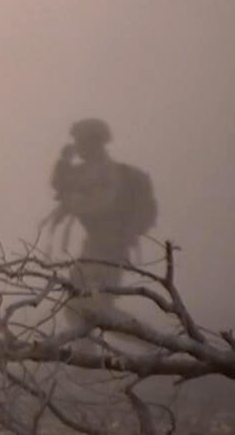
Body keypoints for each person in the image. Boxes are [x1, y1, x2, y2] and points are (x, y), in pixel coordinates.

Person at [46, 118, 157, 339]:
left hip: (110, 248)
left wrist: (73, 201)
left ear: (92, 142)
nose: (76, 145)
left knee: (95, 308)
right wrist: (63, 161)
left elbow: (101, 204)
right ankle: (86, 366)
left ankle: (157, 345)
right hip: (95, 247)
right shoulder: (88, 170)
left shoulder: (108, 172)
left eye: (80, 141)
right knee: (76, 306)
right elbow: (60, 183)